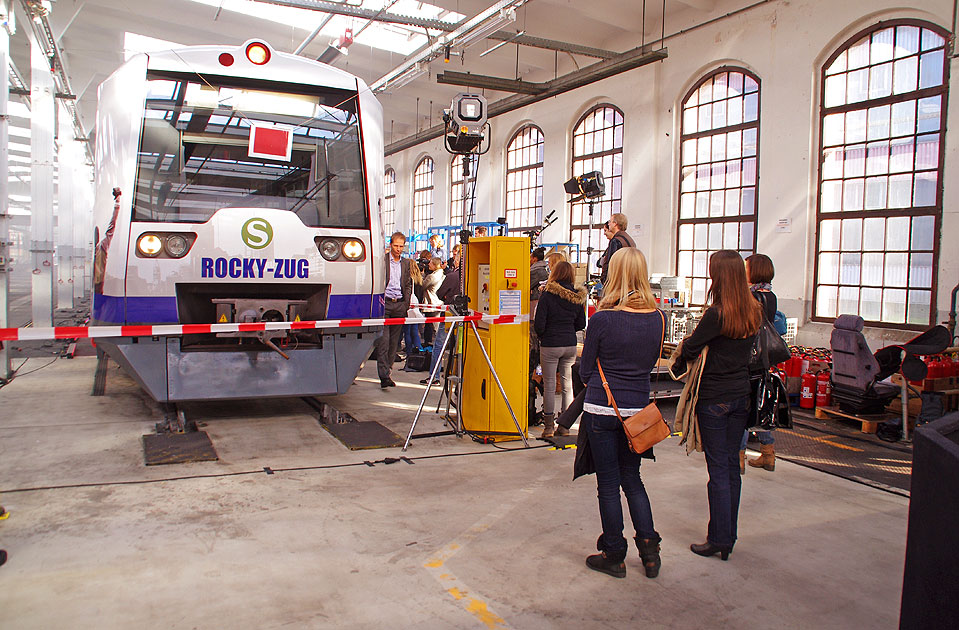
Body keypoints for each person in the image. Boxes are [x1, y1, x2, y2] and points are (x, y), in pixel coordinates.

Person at [578, 247, 666, 579]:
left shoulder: (602, 319)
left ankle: (614, 553)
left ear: (612, 274)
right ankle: (650, 551)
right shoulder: (659, 318)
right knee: (633, 479)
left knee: (608, 483)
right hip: (638, 414)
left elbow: (586, 370)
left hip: (602, 409)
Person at [680, 250, 762, 561]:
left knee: (717, 470)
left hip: (714, 398)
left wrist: (690, 344)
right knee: (730, 467)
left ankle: (718, 538)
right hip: (740, 396)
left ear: (719, 276)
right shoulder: (753, 310)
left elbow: (691, 347)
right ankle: (729, 536)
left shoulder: (716, 314)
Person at [534, 261, 586, 439]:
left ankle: (548, 428)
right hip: (570, 344)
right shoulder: (577, 296)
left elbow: (539, 323)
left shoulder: (548, 295)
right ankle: (564, 426)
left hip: (550, 344)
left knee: (549, 385)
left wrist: (543, 335)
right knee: (567, 385)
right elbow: (582, 323)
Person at [741, 253, 779, 472]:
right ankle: (768, 453)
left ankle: (739, 456)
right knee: (760, 404)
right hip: (764, 358)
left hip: (748, 356)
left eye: (746, 268)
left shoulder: (750, 296)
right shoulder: (770, 295)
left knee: (745, 408)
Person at [377, 232, 414, 389]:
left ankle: (388, 371)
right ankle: (383, 376)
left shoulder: (405, 263)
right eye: (395, 246)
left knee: (394, 344)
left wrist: (406, 303)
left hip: (399, 305)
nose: (398, 249)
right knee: (384, 342)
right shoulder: (383, 261)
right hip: (384, 304)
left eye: (401, 246)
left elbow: (408, 283)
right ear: (390, 245)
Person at [423, 262, 461, 386]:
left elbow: (439, 293)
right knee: (459, 348)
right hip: (465, 318)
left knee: (439, 345)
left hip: (450, 315)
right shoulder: (468, 277)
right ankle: (458, 375)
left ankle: (434, 377)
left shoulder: (452, 277)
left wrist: (447, 297)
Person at [597, 213, 635, 285]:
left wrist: (605, 280)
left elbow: (610, 263)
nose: (609, 224)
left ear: (615, 223)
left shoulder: (616, 241)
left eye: (610, 222)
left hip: (616, 283)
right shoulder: (630, 240)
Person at [401, 262, 425, 369]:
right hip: (417, 307)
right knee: (415, 330)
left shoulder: (407, 279)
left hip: (409, 307)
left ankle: (409, 351)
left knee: (407, 331)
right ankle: (419, 348)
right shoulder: (419, 279)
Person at [421, 257, 444, 347]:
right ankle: (429, 343)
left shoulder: (432, 277)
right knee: (431, 326)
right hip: (437, 302)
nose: (428, 264)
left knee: (436, 327)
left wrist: (422, 276)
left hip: (432, 304)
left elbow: (422, 286)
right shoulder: (442, 274)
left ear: (435, 265)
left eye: (430, 263)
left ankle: (438, 346)